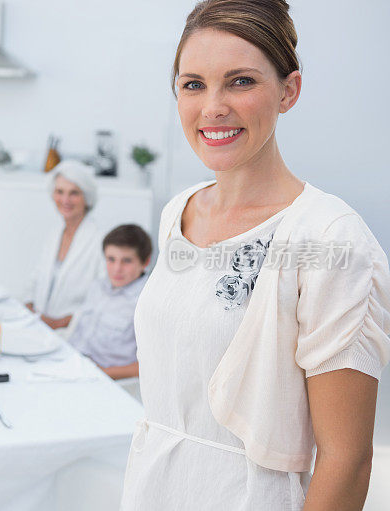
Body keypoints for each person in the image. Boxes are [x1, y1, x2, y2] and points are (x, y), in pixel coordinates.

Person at [120, 1, 390, 510]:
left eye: (240, 81)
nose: (213, 107)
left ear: (289, 91)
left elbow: (347, 461)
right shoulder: (180, 211)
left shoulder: (330, 238)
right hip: (152, 487)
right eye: (193, 84)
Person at [25, 160, 105, 330]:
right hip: (39, 325)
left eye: (74, 193)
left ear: (87, 197)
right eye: (59, 192)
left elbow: (101, 300)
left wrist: (57, 324)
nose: (65, 200)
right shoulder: (55, 233)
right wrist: (29, 307)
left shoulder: (100, 240)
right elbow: (36, 278)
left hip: (73, 332)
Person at [68, 225, 151, 380]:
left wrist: (99, 374)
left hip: (104, 380)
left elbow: (151, 364)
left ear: (145, 262)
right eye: (111, 259)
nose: (116, 269)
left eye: (126, 261)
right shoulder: (98, 286)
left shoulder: (148, 302)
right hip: (72, 364)